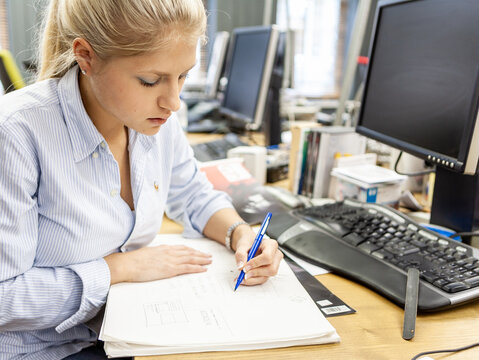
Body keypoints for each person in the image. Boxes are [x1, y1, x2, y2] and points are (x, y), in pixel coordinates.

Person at [0, 0, 283, 358]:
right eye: (151, 81)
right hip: (40, 350)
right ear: (86, 56)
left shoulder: (156, 120)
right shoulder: (14, 134)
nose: (174, 101)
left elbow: (194, 194)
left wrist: (241, 234)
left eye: (183, 76)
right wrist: (119, 268)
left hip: (121, 334)